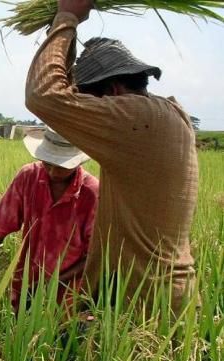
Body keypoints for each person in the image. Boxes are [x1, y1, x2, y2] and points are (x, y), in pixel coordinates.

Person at [24, 0, 198, 315]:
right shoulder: (168, 115)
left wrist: (68, 16)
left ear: (114, 91)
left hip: (140, 301)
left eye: (91, 102)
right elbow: (65, 96)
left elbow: (43, 95)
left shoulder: (133, 118)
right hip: (160, 292)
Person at [0, 127, 98, 313]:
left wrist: (52, 284)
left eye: (61, 166)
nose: (53, 171)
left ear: (76, 161)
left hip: (70, 296)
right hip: (26, 286)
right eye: (47, 163)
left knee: (61, 339)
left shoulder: (92, 193)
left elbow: (94, 256)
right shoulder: (28, 177)